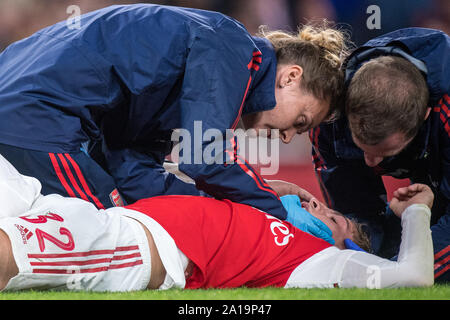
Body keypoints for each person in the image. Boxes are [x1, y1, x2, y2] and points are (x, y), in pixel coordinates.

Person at [0, 4, 347, 231]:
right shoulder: (235, 48)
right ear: (290, 77)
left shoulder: (201, 53)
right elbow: (204, 158)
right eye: (301, 122)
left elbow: (133, 171)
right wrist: (281, 215)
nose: (288, 137)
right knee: (108, 233)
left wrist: (233, 197)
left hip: (22, 106)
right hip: (39, 120)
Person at [0, 154, 433, 291]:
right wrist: (268, 190)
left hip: (127, 249)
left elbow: (413, 278)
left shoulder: (313, 260)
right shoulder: (253, 204)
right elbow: (170, 170)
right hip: (91, 211)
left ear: (346, 248)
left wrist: (417, 210)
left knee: (8, 253)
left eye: (336, 219)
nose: (317, 207)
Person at [310, 27, 450, 282]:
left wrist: (398, 275)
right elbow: (356, 214)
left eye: (386, 152)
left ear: (424, 116)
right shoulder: (330, 118)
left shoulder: (445, 113)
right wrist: (375, 268)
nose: (369, 162)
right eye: (359, 145)